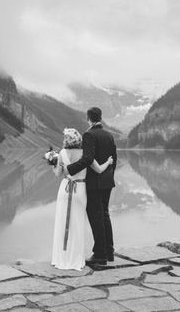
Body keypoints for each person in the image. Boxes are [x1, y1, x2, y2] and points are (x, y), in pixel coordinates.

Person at [50, 128, 113, 270]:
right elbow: (99, 170)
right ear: (79, 140)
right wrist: (108, 162)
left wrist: (53, 163)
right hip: (80, 190)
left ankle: (61, 258)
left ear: (66, 140)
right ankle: (76, 258)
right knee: (77, 224)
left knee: (62, 222)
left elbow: (57, 174)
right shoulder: (86, 153)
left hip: (64, 190)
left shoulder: (61, 153)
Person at [63, 107, 117, 266]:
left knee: (96, 218)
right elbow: (114, 158)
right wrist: (109, 176)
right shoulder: (109, 135)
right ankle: (109, 251)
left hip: (94, 184)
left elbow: (88, 158)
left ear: (88, 118)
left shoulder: (89, 135)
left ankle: (100, 255)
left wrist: (70, 170)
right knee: (105, 215)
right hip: (107, 182)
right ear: (100, 118)